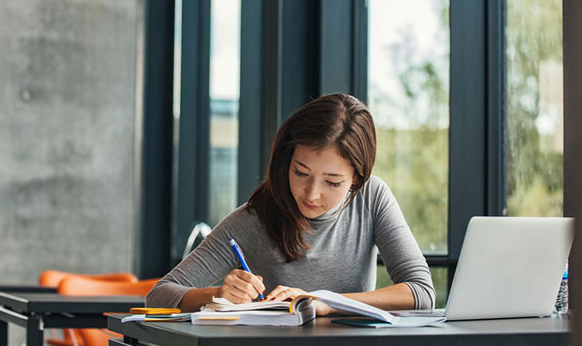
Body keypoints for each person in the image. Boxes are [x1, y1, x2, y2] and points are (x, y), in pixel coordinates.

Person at [146, 93, 435, 315]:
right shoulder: (254, 218)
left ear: (357, 180)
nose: (311, 194)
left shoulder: (371, 198)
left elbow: (421, 292)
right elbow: (159, 295)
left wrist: (324, 301)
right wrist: (218, 294)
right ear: (286, 161)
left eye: (332, 183)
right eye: (300, 173)